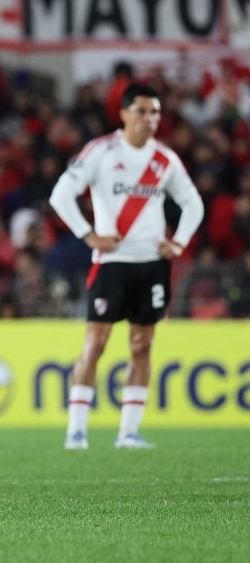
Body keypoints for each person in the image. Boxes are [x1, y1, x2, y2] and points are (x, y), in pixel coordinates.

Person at [49, 82, 204, 450]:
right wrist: (89, 235)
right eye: (142, 111)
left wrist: (178, 242)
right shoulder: (101, 151)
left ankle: (129, 432)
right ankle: (77, 431)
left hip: (152, 265)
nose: (149, 119)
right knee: (95, 343)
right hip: (111, 263)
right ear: (124, 113)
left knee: (142, 345)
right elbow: (61, 194)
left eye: (155, 113)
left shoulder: (164, 159)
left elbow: (193, 203)